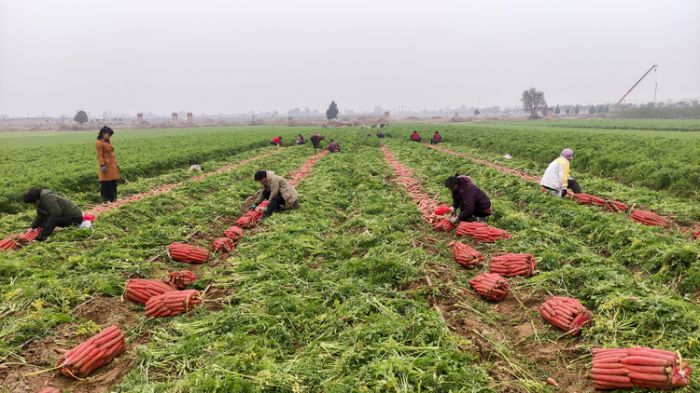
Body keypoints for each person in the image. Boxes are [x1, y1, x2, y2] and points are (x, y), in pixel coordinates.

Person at [96, 126, 120, 202]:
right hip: (106, 166)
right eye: (108, 135)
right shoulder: (99, 143)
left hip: (112, 165)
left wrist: (116, 163)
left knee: (113, 183)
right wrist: (102, 165)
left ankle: (114, 199)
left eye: (110, 135)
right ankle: (106, 200)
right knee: (106, 184)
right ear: (103, 133)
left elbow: (112, 153)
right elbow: (100, 155)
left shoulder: (108, 141)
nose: (109, 136)